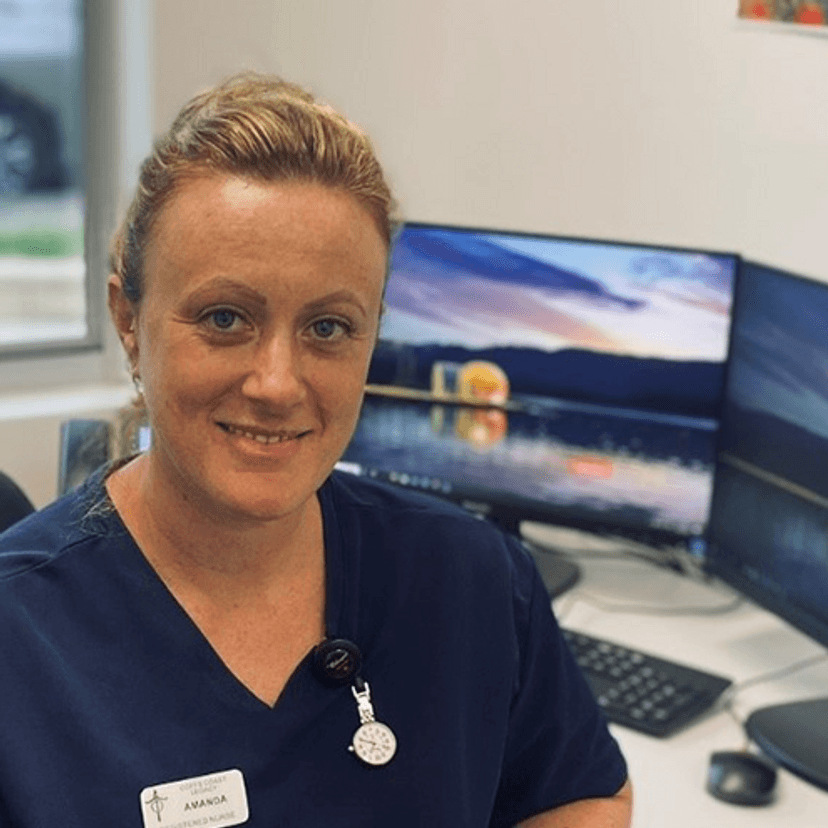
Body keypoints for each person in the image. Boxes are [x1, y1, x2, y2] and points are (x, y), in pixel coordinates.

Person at [0, 73, 632, 827]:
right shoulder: (22, 636)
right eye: (225, 317)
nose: (277, 383)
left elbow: (581, 792)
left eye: (329, 327)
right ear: (128, 321)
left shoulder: (475, 580)